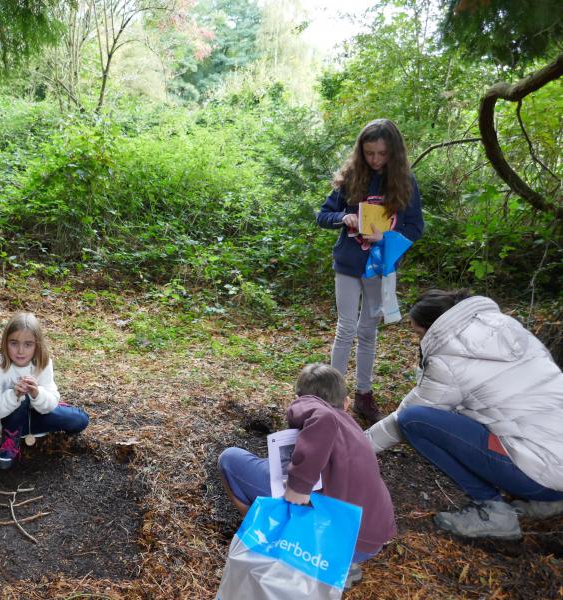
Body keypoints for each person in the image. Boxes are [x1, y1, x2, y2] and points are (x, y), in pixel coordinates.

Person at [366, 289, 563, 540]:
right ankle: (551, 499)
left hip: (539, 475)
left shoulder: (449, 357)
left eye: (418, 333)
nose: (418, 341)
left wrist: (352, 445)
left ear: (433, 327)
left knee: (413, 420)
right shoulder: (507, 328)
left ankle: (494, 512)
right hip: (554, 461)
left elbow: (401, 418)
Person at [218, 364, 396, 586]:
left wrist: (299, 485)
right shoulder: (355, 432)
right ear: (347, 403)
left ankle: (271, 542)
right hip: (369, 541)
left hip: (337, 540)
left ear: (298, 399)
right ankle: (339, 564)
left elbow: (324, 418)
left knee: (229, 459)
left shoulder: (322, 414)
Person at [316, 119, 424, 425]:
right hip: (348, 265)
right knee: (346, 327)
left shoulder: (405, 182)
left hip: (380, 266)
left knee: (367, 331)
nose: (375, 160)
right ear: (360, 152)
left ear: (394, 153)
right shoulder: (352, 177)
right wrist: (344, 217)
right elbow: (322, 216)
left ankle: (363, 394)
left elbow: (416, 227)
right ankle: (332, 397)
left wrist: (386, 238)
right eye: (369, 153)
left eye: (382, 154)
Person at [0, 312, 89, 469]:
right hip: (13, 421)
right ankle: (10, 441)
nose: (20, 351)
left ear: (37, 344)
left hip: (40, 416)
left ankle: (57, 409)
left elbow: (50, 400)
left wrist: (37, 393)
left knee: (80, 420)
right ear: (5, 343)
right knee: (22, 397)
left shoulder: (43, 362)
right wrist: (14, 395)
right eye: (14, 343)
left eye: (28, 344)